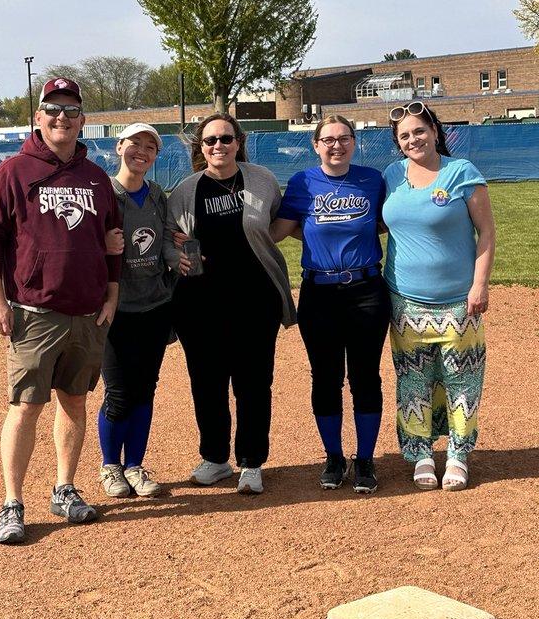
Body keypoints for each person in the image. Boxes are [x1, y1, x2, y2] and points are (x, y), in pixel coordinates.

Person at [0, 77, 122, 544]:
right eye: (53, 109)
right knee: (26, 406)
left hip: (87, 310)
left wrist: (112, 293)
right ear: (38, 118)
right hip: (35, 311)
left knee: (74, 401)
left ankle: (64, 489)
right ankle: (12, 502)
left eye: (71, 111)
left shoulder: (96, 178)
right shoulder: (15, 171)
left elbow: (113, 241)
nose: (62, 118)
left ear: (82, 120)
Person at [165, 113, 296, 495]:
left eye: (225, 138)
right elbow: (166, 241)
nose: (218, 146)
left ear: (238, 142)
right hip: (199, 303)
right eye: (210, 141)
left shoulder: (262, 180)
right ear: (200, 147)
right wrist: (178, 261)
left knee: (254, 382)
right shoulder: (187, 191)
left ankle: (252, 462)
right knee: (206, 382)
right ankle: (216, 458)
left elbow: (278, 224)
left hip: (256, 300)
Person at [271, 115, 389, 493]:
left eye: (344, 139)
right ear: (315, 145)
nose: (336, 145)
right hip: (319, 293)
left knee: (365, 375)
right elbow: (278, 230)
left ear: (354, 142)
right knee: (325, 377)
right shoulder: (303, 182)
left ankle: (366, 458)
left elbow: (389, 222)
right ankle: (334, 456)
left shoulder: (372, 180)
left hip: (367, 290)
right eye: (328, 140)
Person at [382, 101, 495, 491]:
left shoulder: (461, 172)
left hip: (457, 299)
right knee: (413, 380)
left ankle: (459, 455)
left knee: (461, 378)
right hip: (405, 299)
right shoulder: (392, 175)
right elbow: (383, 222)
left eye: (419, 131)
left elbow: (487, 233)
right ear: (398, 143)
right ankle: (422, 454)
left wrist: (479, 285)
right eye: (405, 136)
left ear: (434, 130)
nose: (413, 139)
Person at [96, 123, 174, 499]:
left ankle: (135, 466)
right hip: (115, 309)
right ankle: (110, 466)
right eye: (134, 144)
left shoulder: (158, 195)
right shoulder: (103, 194)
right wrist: (101, 242)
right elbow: (78, 244)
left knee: (145, 390)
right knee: (119, 392)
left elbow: (169, 243)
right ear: (118, 147)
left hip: (155, 306)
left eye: (150, 147)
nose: (141, 152)